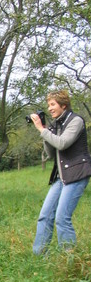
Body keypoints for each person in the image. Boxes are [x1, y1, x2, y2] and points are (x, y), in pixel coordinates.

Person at [30, 89, 91, 254]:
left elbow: (62, 143)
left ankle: (69, 258)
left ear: (63, 105)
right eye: (48, 105)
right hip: (61, 176)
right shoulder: (56, 124)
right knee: (45, 216)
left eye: (53, 104)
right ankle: (39, 255)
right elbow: (51, 153)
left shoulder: (76, 121)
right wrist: (45, 131)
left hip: (77, 174)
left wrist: (42, 130)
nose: (49, 108)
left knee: (62, 218)